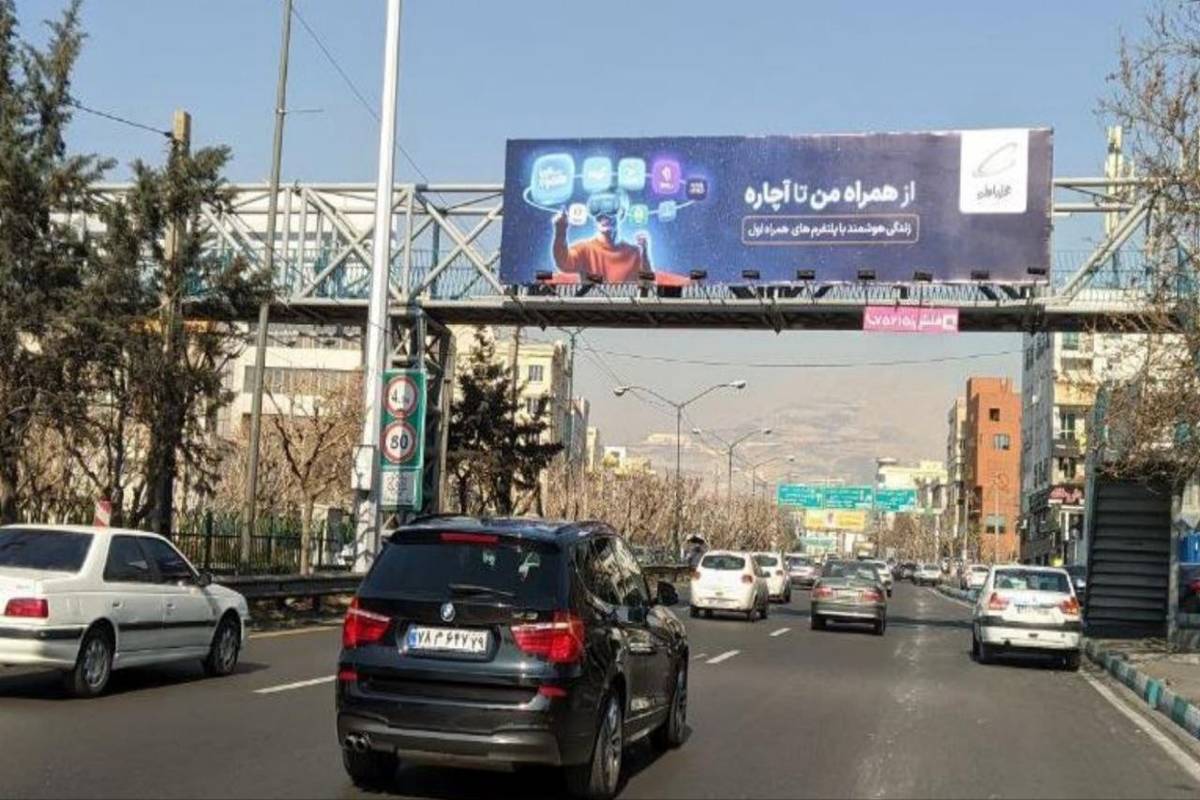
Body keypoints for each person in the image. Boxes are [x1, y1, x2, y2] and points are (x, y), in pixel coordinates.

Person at [552, 196, 651, 283]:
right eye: (598, 214)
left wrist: (645, 254)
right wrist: (560, 230)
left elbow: (648, 284)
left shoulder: (634, 252)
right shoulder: (585, 249)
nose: (604, 218)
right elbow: (563, 263)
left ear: (621, 214)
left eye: (610, 211)